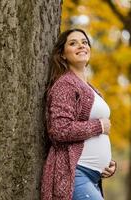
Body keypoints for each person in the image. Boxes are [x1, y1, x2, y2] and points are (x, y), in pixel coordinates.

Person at [41, 28, 117, 200]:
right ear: (62, 55)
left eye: (84, 42)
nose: (81, 46)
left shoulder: (91, 89)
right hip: (75, 173)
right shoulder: (65, 84)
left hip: (93, 177)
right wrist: (99, 126)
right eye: (73, 43)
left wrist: (108, 165)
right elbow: (59, 129)